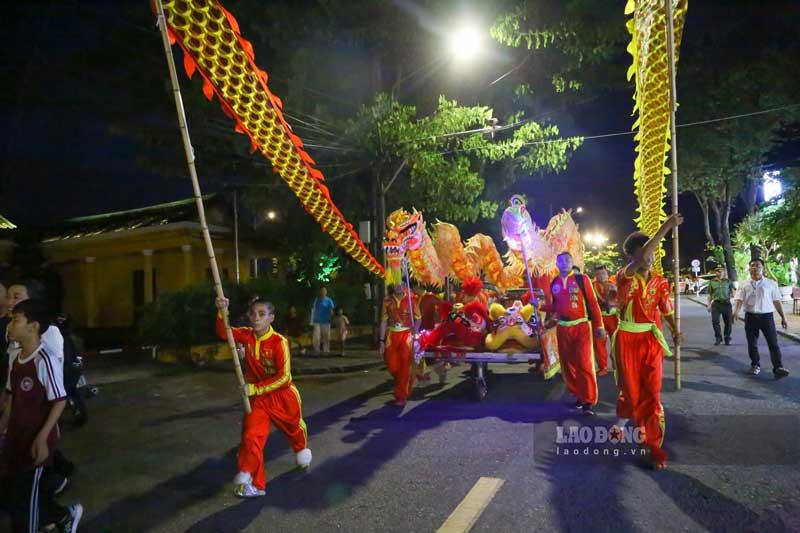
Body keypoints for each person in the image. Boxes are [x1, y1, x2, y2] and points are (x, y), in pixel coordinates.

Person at [215, 296, 312, 498]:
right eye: (253, 314)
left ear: (271, 318)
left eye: (261, 314)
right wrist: (222, 311)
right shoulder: (247, 335)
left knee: (294, 430)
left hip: (283, 397)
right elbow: (225, 332)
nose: (256, 318)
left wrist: (255, 388)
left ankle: (301, 451)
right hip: (259, 400)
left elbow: (284, 378)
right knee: (252, 437)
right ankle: (254, 483)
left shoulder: (279, 342)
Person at [1, 299, 83, 533]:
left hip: (35, 442)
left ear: (33, 326)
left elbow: (59, 400)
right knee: (16, 494)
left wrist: (42, 437)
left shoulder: (44, 360)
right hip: (16, 439)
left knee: (25, 507)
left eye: (16, 320)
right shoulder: (16, 359)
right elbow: (12, 398)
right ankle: (64, 515)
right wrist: (3, 428)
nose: (10, 325)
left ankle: (56, 515)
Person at [612, 214, 682, 471]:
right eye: (645, 251)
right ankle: (622, 421)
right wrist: (666, 226)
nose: (650, 255)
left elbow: (666, 310)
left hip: (651, 341)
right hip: (626, 341)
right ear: (632, 256)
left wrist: (675, 330)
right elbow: (642, 258)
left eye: (652, 250)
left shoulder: (661, 281)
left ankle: (650, 447)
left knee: (651, 396)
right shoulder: (624, 276)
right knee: (632, 394)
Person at [537, 252, 606, 416]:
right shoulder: (554, 282)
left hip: (581, 327)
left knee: (584, 364)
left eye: (568, 260)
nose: (565, 263)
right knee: (568, 366)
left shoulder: (582, 279)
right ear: (557, 264)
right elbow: (555, 307)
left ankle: (588, 402)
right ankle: (578, 394)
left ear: (572, 262)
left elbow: (593, 304)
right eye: (561, 261)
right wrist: (539, 306)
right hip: (562, 329)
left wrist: (599, 326)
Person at [733, 259, 789, 379]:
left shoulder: (771, 283)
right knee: (752, 343)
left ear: (762, 268)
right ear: (749, 268)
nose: (755, 267)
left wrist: (783, 317)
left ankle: (778, 367)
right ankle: (755, 365)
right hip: (750, 317)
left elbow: (777, 301)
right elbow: (739, 299)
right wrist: (735, 312)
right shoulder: (743, 284)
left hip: (767, 317)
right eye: (752, 265)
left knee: (773, 343)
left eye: (758, 265)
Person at [378, 281, 421, 407]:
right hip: (391, 335)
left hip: (406, 335)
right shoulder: (387, 301)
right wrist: (381, 341)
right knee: (392, 365)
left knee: (405, 365)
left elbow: (418, 319)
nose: (398, 287)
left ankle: (401, 395)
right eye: (395, 284)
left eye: (401, 284)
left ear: (405, 286)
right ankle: (406, 380)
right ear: (392, 286)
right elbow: (383, 321)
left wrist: (415, 331)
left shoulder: (412, 300)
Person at [592, 265, 618, 376]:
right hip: (599, 319)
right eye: (599, 274)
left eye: (603, 273)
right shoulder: (592, 286)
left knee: (616, 342)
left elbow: (619, 300)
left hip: (614, 318)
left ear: (607, 274)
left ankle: (617, 365)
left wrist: (615, 290)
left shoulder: (613, 284)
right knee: (599, 344)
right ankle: (603, 367)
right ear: (595, 276)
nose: (601, 276)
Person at [707, 266, 735, 346]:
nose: (718, 272)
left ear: (724, 272)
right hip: (716, 304)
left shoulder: (728, 281)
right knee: (715, 321)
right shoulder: (712, 282)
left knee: (728, 322)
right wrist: (708, 305)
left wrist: (734, 301)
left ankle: (727, 337)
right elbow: (710, 294)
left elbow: (733, 292)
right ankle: (718, 338)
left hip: (727, 304)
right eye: (717, 271)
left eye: (720, 271)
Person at [310, 287, 335, 354]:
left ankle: (326, 350)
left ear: (326, 292)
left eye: (324, 291)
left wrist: (331, 317)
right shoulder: (316, 300)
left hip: (326, 321)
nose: (323, 292)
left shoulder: (329, 300)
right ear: (320, 292)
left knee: (326, 336)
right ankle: (316, 350)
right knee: (316, 336)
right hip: (317, 321)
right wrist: (311, 320)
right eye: (321, 291)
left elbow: (331, 310)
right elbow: (313, 309)